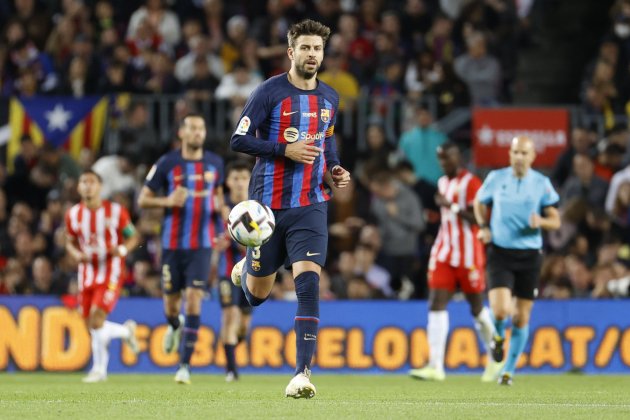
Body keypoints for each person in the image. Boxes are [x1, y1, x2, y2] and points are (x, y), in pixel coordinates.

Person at [230, 19, 350, 399]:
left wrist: (333, 169)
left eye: (317, 49)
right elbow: (238, 139)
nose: (312, 54)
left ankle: (302, 373)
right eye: (306, 48)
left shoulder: (330, 98)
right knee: (257, 296)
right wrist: (284, 149)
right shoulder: (268, 92)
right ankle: (247, 267)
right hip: (267, 208)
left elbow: (326, 142)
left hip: (311, 205)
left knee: (309, 284)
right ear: (291, 52)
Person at [137, 113, 225, 385]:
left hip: (201, 245)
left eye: (201, 128)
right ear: (182, 134)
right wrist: (168, 200)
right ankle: (175, 325)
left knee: (195, 297)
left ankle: (184, 366)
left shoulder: (215, 163)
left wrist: (228, 217)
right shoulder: (168, 163)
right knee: (172, 306)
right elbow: (143, 199)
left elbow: (218, 198)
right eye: (193, 128)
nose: (198, 133)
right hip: (172, 246)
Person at [408, 142, 500, 383]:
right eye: (440, 159)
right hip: (444, 252)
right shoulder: (442, 183)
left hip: (469, 254)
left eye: (447, 159)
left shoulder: (472, 183)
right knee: (436, 303)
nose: (443, 163)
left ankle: (495, 358)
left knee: (477, 309)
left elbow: (479, 219)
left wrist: (453, 206)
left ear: (458, 157)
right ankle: (436, 366)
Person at [473, 136, 561, 385]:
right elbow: (479, 203)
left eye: (524, 153)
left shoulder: (541, 184)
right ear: (510, 154)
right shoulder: (496, 179)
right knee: (501, 311)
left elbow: (556, 220)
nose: (519, 157)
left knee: (521, 318)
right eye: (515, 152)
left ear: (533, 156)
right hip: (500, 252)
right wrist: (483, 225)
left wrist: (541, 222)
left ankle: (508, 371)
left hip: (530, 255)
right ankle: (498, 338)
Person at [65, 169, 140, 383]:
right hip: (86, 272)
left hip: (111, 270)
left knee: (97, 319)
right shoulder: (73, 214)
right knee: (90, 323)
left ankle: (99, 370)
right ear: (79, 187)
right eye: (83, 181)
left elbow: (132, 236)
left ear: (100, 186)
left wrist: (123, 250)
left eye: (92, 182)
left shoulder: (116, 212)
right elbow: (69, 240)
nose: (88, 185)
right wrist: (75, 254)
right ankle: (125, 332)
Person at [213, 160, 254, 382]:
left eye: (243, 178)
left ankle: (229, 345)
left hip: (252, 272)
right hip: (226, 272)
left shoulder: (256, 209)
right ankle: (231, 370)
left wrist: (233, 236)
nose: (239, 183)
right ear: (228, 182)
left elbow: (251, 243)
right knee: (230, 315)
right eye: (235, 178)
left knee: (243, 326)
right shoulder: (219, 208)